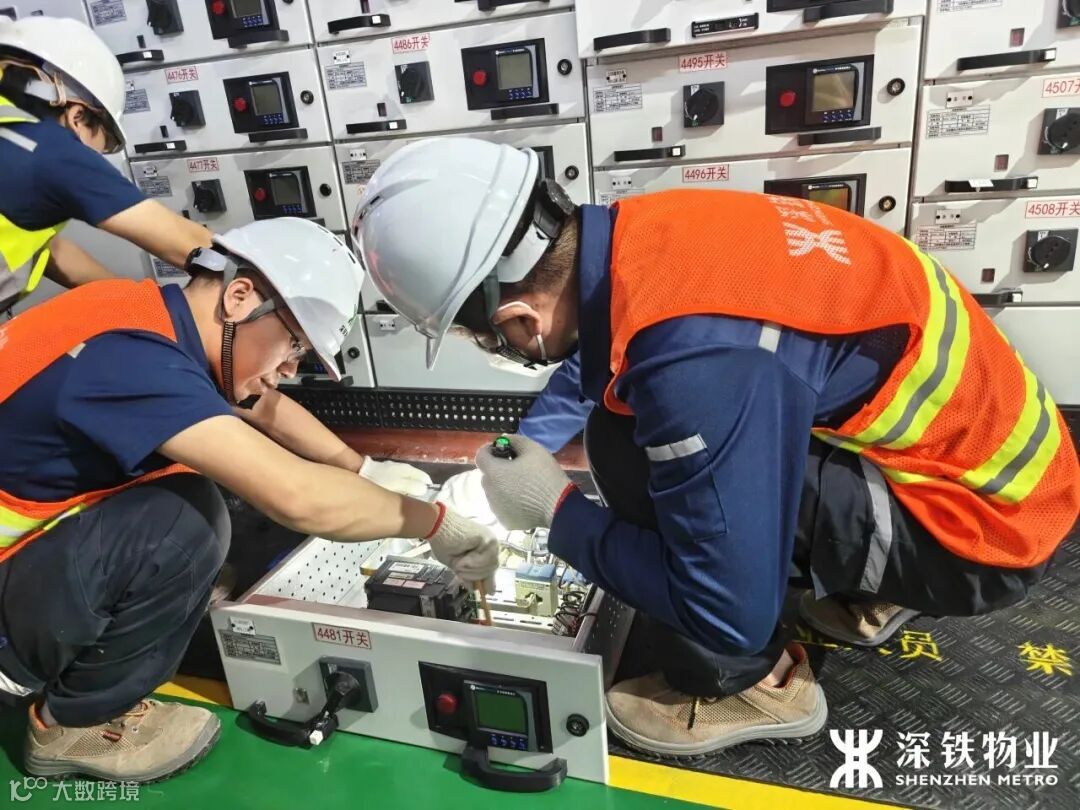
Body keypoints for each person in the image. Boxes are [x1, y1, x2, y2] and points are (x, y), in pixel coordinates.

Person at [351, 137, 1080, 757]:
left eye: (484, 338)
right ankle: (870, 585)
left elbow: (722, 604)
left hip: (982, 538)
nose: (495, 349)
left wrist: (556, 511)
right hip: (988, 472)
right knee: (646, 424)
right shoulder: (639, 235)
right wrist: (517, 452)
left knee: (628, 448)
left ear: (517, 318)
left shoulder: (698, 366)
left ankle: (750, 683)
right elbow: (604, 347)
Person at [0, 218, 500, 782]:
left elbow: (262, 405)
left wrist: (360, 467)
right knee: (184, 522)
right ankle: (71, 724)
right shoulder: (132, 363)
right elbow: (298, 497)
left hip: (23, 558)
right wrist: (436, 523)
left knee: (192, 503)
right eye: (295, 344)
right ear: (239, 297)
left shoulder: (141, 316)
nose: (289, 370)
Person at [0, 15, 213, 316]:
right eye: (97, 150)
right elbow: (190, 245)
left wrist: (144, 310)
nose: (95, 163)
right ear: (77, 117)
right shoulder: (49, 151)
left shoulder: (13, 134)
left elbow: (50, 250)